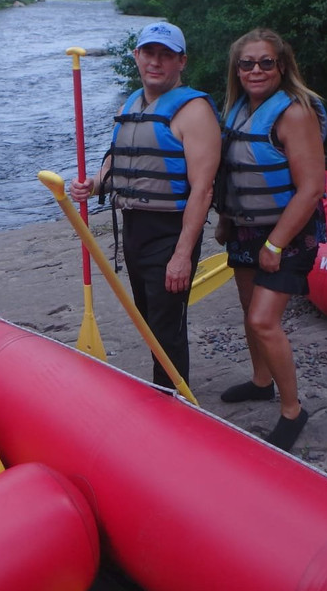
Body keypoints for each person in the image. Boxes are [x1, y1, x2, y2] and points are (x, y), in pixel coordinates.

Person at [69, 21, 221, 390]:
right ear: (137, 56)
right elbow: (117, 160)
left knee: (167, 328)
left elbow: (202, 190)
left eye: (165, 55)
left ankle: (174, 400)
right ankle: (164, 393)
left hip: (170, 233)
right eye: (149, 53)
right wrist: (94, 183)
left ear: (181, 61)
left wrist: (183, 255)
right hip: (135, 231)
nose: (156, 62)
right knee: (149, 321)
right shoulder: (131, 104)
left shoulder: (194, 111)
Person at [213, 28, 327, 452]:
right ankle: (261, 381)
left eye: (265, 62)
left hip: (289, 232)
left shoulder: (294, 113)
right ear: (236, 69)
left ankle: (293, 409)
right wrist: (226, 220)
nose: (255, 70)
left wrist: (276, 243)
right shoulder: (237, 110)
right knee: (248, 312)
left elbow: (312, 187)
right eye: (247, 63)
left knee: (264, 320)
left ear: (282, 67)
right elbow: (232, 173)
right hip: (246, 227)